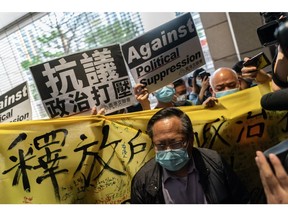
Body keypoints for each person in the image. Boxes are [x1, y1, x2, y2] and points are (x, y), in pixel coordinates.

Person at [130, 107, 250, 204]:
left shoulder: (215, 161)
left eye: (176, 143)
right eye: (160, 145)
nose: (168, 150)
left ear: (191, 139)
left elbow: (241, 201)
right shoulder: (143, 181)